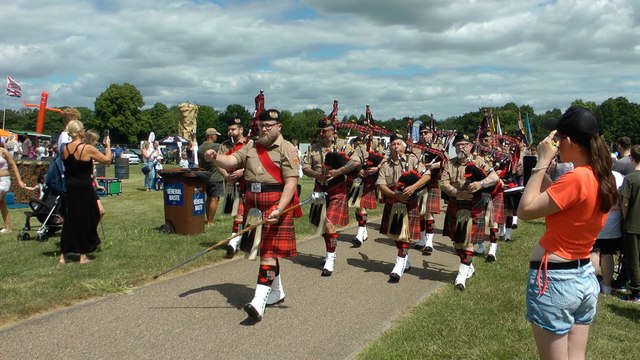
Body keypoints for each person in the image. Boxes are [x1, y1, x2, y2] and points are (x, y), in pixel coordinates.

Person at [517, 106, 618, 359]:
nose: (556, 144)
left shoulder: (576, 178)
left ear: (569, 141)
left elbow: (526, 210)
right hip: (582, 277)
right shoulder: (600, 176)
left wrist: (541, 162)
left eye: (559, 138)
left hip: (557, 281)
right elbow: (560, 201)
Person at [205, 108, 300, 321]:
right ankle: (276, 292)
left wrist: (279, 208)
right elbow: (231, 162)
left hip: (276, 204)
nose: (264, 129)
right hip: (254, 206)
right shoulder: (251, 146)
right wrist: (215, 157)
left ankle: (258, 303)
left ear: (279, 127)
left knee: (267, 253)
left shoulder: (288, 149)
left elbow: (291, 183)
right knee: (267, 252)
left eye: (269, 126)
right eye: (261, 126)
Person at [302, 117, 362, 277]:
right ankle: (330, 252)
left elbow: (356, 161)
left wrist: (339, 171)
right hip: (319, 188)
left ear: (333, 131)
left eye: (325, 130)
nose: (322, 133)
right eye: (320, 131)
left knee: (328, 223)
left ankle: (330, 258)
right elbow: (305, 167)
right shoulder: (313, 147)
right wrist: (317, 174)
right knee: (322, 226)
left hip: (337, 189)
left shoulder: (343, 145)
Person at [441, 133, 499, 290]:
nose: (461, 147)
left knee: (468, 242)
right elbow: (444, 183)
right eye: (458, 145)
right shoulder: (450, 164)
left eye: (464, 144)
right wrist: (457, 192)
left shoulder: (479, 162)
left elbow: (494, 177)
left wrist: (481, 183)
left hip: (474, 206)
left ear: (471, 146)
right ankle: (469, 267)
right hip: (456, 204)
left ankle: (461, 276)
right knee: (457, 242)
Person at [377, 132, 431, 282]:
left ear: (404, 146)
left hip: (410, 202)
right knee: (396, 235)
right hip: (393, 203)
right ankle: (405, 260)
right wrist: (395, 196)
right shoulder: (385, 164)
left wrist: (413, 187)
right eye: (393, 144)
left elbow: (427, 175)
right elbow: (380, 184)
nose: (396, 147)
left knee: (404, 236)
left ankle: (399, 265)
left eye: (398, 144)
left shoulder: (412, 159)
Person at [59, 120, 112, 264]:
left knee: (70, 219)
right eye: (83, 128)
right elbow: (107, 160)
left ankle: (63, 255)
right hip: (84, 186)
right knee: (86, 217)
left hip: (70, 187)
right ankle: (83, 254)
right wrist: (108, 146)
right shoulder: (86, 148)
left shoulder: (65, 149)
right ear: (80, 132)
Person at [217, 116, 252, 257]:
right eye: (229, 129)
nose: (230, 132)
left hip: (247, 181)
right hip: (231, 183)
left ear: (241, 129)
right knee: (237, 211)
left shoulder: (249, 144)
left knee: (248, 212)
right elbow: (218, 162)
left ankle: (238, 240)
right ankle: (235, 240)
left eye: (233, 129)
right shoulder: (225, 145)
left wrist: (241, 171)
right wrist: (226, 175)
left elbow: (254, 162)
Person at [590, 170, 624, 295]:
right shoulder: (619, 176)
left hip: (596, 219)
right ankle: (607, 287)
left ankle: (592, 284)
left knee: (595, 252)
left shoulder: (594, 174)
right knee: (608, 253)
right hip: (613, 221)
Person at [620, 144, 640, 302]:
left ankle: (636, 292)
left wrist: (624, 219)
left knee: (633, 259)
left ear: (632, 159)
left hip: (633, 223)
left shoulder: (630, 178)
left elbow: (624, 203)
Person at [197, 128, 223, 225]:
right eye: (215, 135)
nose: (216, 137)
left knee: (208, 198)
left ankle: (208, 218)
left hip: (205, 176)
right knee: (214, 198)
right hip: (216, 176)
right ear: (211, 136)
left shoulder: (200, 148)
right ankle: (210, 221)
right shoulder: (217, 146)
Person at [0, 143, 27, 233]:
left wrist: (19, 181)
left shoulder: (3, 151)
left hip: (4, 181)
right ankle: (8, 228)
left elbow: (13, 165)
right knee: (2, 203)